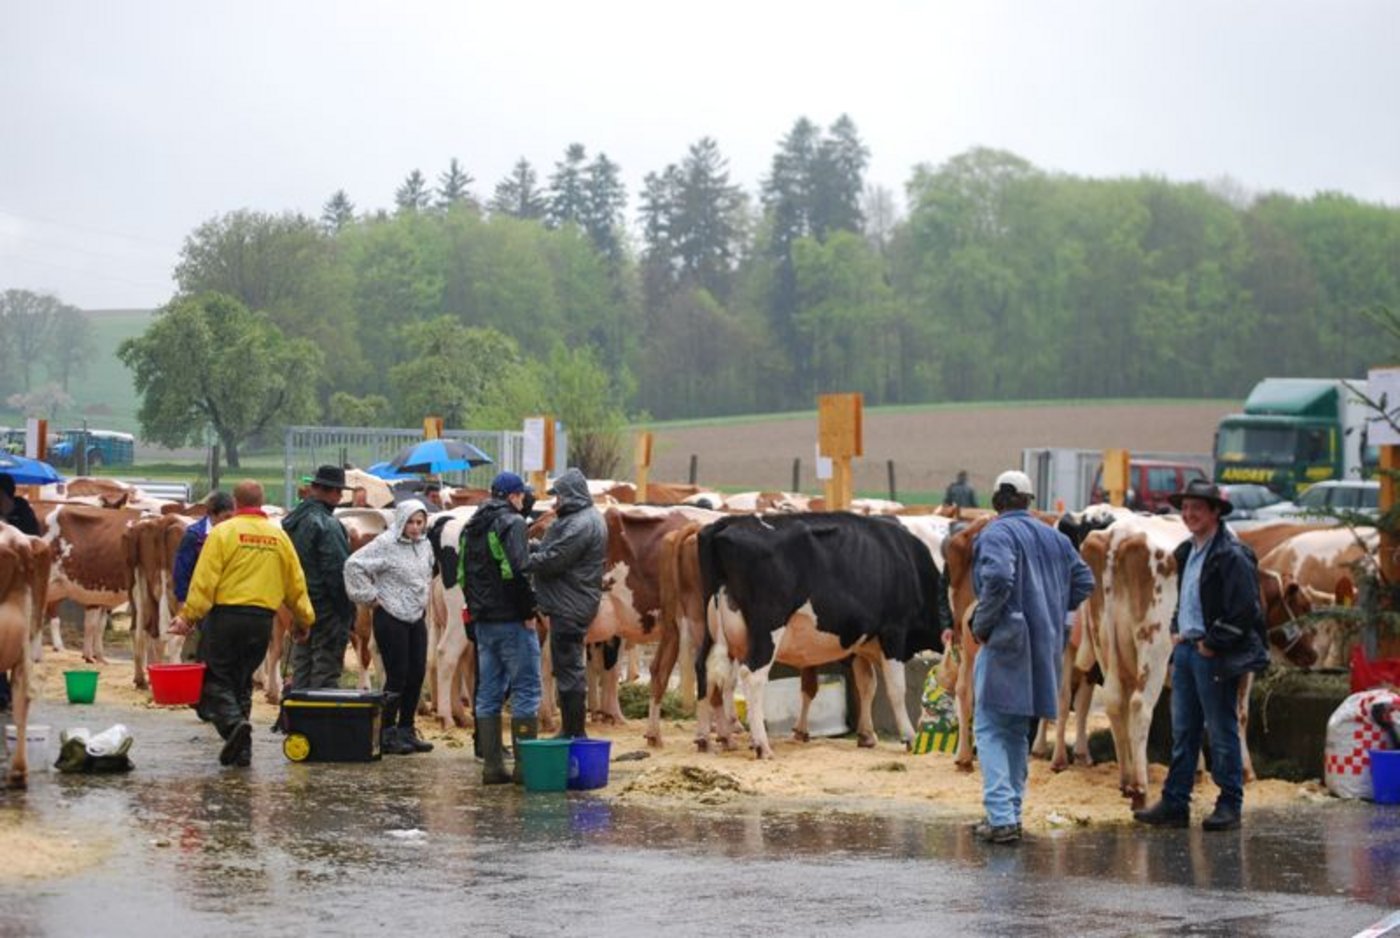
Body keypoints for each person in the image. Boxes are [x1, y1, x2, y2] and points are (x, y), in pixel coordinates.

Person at [970, 469, 1095, 844]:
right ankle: (1012, 812)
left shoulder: (996, 533)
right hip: (1044, 646)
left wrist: (983, 623)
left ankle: (1001, 818)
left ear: (997, 500)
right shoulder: (1055, 538)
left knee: (990, 727)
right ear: (1028, 501)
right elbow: (1085, 580)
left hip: (1006, 641)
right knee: (1017, 732)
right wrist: (1054, 609)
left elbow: (999, 578)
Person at [1134, 479, 1266, 832]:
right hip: (1189, 650)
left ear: (1215, 512)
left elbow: (1245, 610)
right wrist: (1178, 630)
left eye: (1197, 508)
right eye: (1186, 508)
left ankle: (1229, 803)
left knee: (1221, 729)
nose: (1189, 514)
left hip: (1212, 654)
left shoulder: (1232, 555)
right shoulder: (1188, 551)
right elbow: (1186, 599)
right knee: (1184, 730)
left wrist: (1213, 642)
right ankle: (1176, 802)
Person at [170, 480, 314, 767]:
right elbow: (296, 584)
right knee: (242, 682)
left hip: (226, 618)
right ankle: (242, 751)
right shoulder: (278, 537)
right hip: (261, 622)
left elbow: (205, 581)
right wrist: (303, 619)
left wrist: (188, 616)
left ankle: (234, 725)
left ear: (235, 503)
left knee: (213, 680)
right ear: (261, 503)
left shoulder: (223, 533)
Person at [461, 472, 541, 783]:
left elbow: (464, 575)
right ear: (512, 495)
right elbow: (518, 572)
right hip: (511, 620)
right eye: (521, 495)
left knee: (489, 693)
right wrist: (529, 610)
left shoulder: (472, 526)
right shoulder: (513, 523)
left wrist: (474, 614)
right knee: (526, 690)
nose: (523, 500)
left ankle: (492, 767)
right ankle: (524, 769)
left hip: (483, 622)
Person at [343, 499, 436, 756]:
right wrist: (369, 596)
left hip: (416, 616)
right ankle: (386, 732)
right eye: (411, 522)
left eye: (420, 522)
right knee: (398, 674)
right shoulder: (385, 544)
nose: (416, 528)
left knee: (417, 672)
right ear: (401, 521)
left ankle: (407, 728)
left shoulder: (425, 545)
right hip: (390, 615)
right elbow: (354, 565)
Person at [528, 467, 606, 739]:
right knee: (568, 667)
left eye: (558, 496)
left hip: (569, 604)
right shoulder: (585, 519)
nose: (554, 502)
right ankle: (573, 729)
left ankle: (573, 731)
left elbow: (555, 560)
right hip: (572, 600)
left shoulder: (580, 524)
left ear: (571, 495)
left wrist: (523, 559)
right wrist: (536, 548)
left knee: (569, 669)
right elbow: (555, 552)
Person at [282, 465, 354, 690]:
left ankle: (297, 720)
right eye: (339, 492)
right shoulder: (328, 525)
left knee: (302, 667)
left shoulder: (291, 522)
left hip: (300, 606)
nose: (341, 496)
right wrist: (346, 612)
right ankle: (319, 723)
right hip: (327, 611)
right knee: (325, 672)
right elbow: (336, 573)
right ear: (330, 492)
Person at [0, 471, 40, 711]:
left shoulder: (22, 513)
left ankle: (10, 691)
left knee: (11, 640)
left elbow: (36, 541)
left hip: (16, 590)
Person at [174, 491, 237, 611]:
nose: (230, 521)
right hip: (200, 601)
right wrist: (183, 601)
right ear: (212, 514)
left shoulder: (233, 534)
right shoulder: (194, 536)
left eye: (232, 517)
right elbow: (182, 571)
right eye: (226, 517)